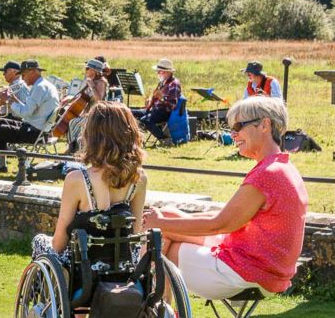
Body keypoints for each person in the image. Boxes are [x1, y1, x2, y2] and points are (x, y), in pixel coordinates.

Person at [141, 97, 308, 300]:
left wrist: (159, 223)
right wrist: (165, 220)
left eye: (239, 126)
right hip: (260, 263)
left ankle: (152, 314)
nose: (233, 134)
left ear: (265, 125)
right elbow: (227, 217)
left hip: (251, 269)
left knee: (162, 243)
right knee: (165, 224)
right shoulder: (281, 167)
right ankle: (159, 315)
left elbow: (220, 224)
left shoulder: (267, 174)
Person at [31, 101, 147, 262]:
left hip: (84, 262)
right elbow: (135, 232)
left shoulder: (77, 179)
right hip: (121, 263)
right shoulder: (139, 178)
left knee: (39, 241)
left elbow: (59, 243)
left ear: (92, 135)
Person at [0, 60, 59, 177]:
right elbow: (30, 110)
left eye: (23, 75)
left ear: (32, 72)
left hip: (33, 132)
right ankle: (1, 165)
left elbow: (24, 113)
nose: (23, 78)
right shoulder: (45, 85)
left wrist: (8, 101)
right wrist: (13, 98)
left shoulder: (39, 88)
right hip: (38, 130)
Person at [63, 58, 110, 154]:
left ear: (93, 70)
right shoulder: (91, 81)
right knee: (72, 121)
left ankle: (75, 148)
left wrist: (91, 85)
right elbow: (83, 98)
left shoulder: (101, 82)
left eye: (87, 69)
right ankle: (74, 146)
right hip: (90, 113)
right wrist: (69, 100)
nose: (86, 71)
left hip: (98, 114)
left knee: (74, 122)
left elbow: (99, 99)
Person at [129, 59, 181, 141]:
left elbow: (172, 104)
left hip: (164, 112)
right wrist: (150, 101)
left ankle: (163, 138)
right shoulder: (162, 82)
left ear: (168, 72)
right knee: (129, 112)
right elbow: (157, 96)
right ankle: (135, 137)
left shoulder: (174, 84)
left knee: (145, 120)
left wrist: (162, 98)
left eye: (160, 71)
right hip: (154, 110)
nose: (158, 73)